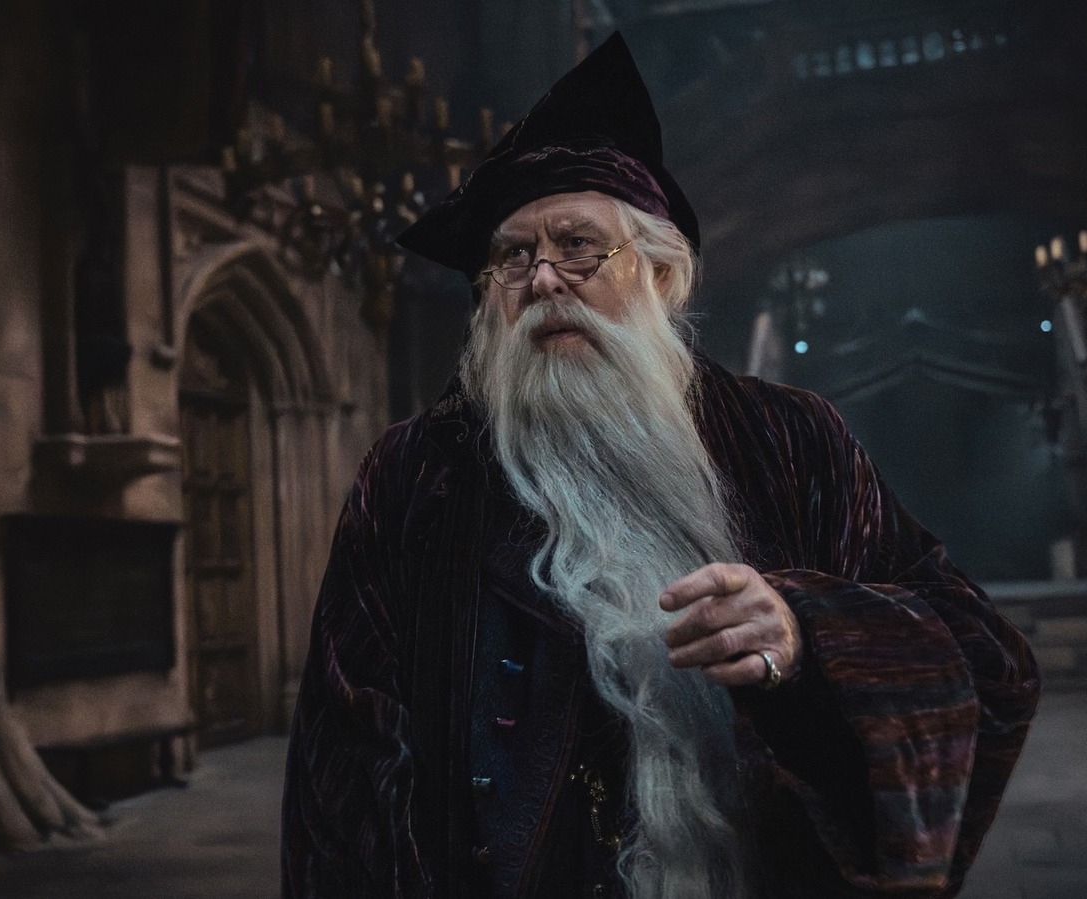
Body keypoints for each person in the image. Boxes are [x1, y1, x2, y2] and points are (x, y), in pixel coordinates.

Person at [282, 34, 1039, 899]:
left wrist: (807, 634)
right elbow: (343, 764)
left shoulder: (789, 439)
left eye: (578, 245)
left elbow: (985, 657)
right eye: (513, 256)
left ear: (662, 273)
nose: (544, 280)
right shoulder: (418, 473)